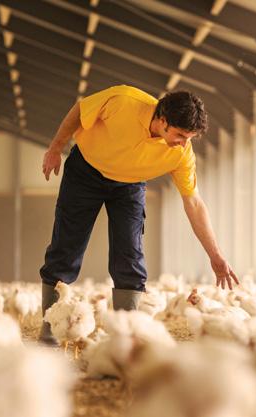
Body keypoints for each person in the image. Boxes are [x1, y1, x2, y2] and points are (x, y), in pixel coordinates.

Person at [39, 85, 239, 345]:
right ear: (163, 120)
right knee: (66, 247)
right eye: (180, 135)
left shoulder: (181, 154)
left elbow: (194, 202)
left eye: (189, 138)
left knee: (130, 256)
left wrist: (216, 257)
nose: (183, 143)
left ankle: (125, 336)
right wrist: (56, 148)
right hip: (85, 171)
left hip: (130, 185)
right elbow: (80, 110)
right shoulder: (123, 100)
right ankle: (50, 330)